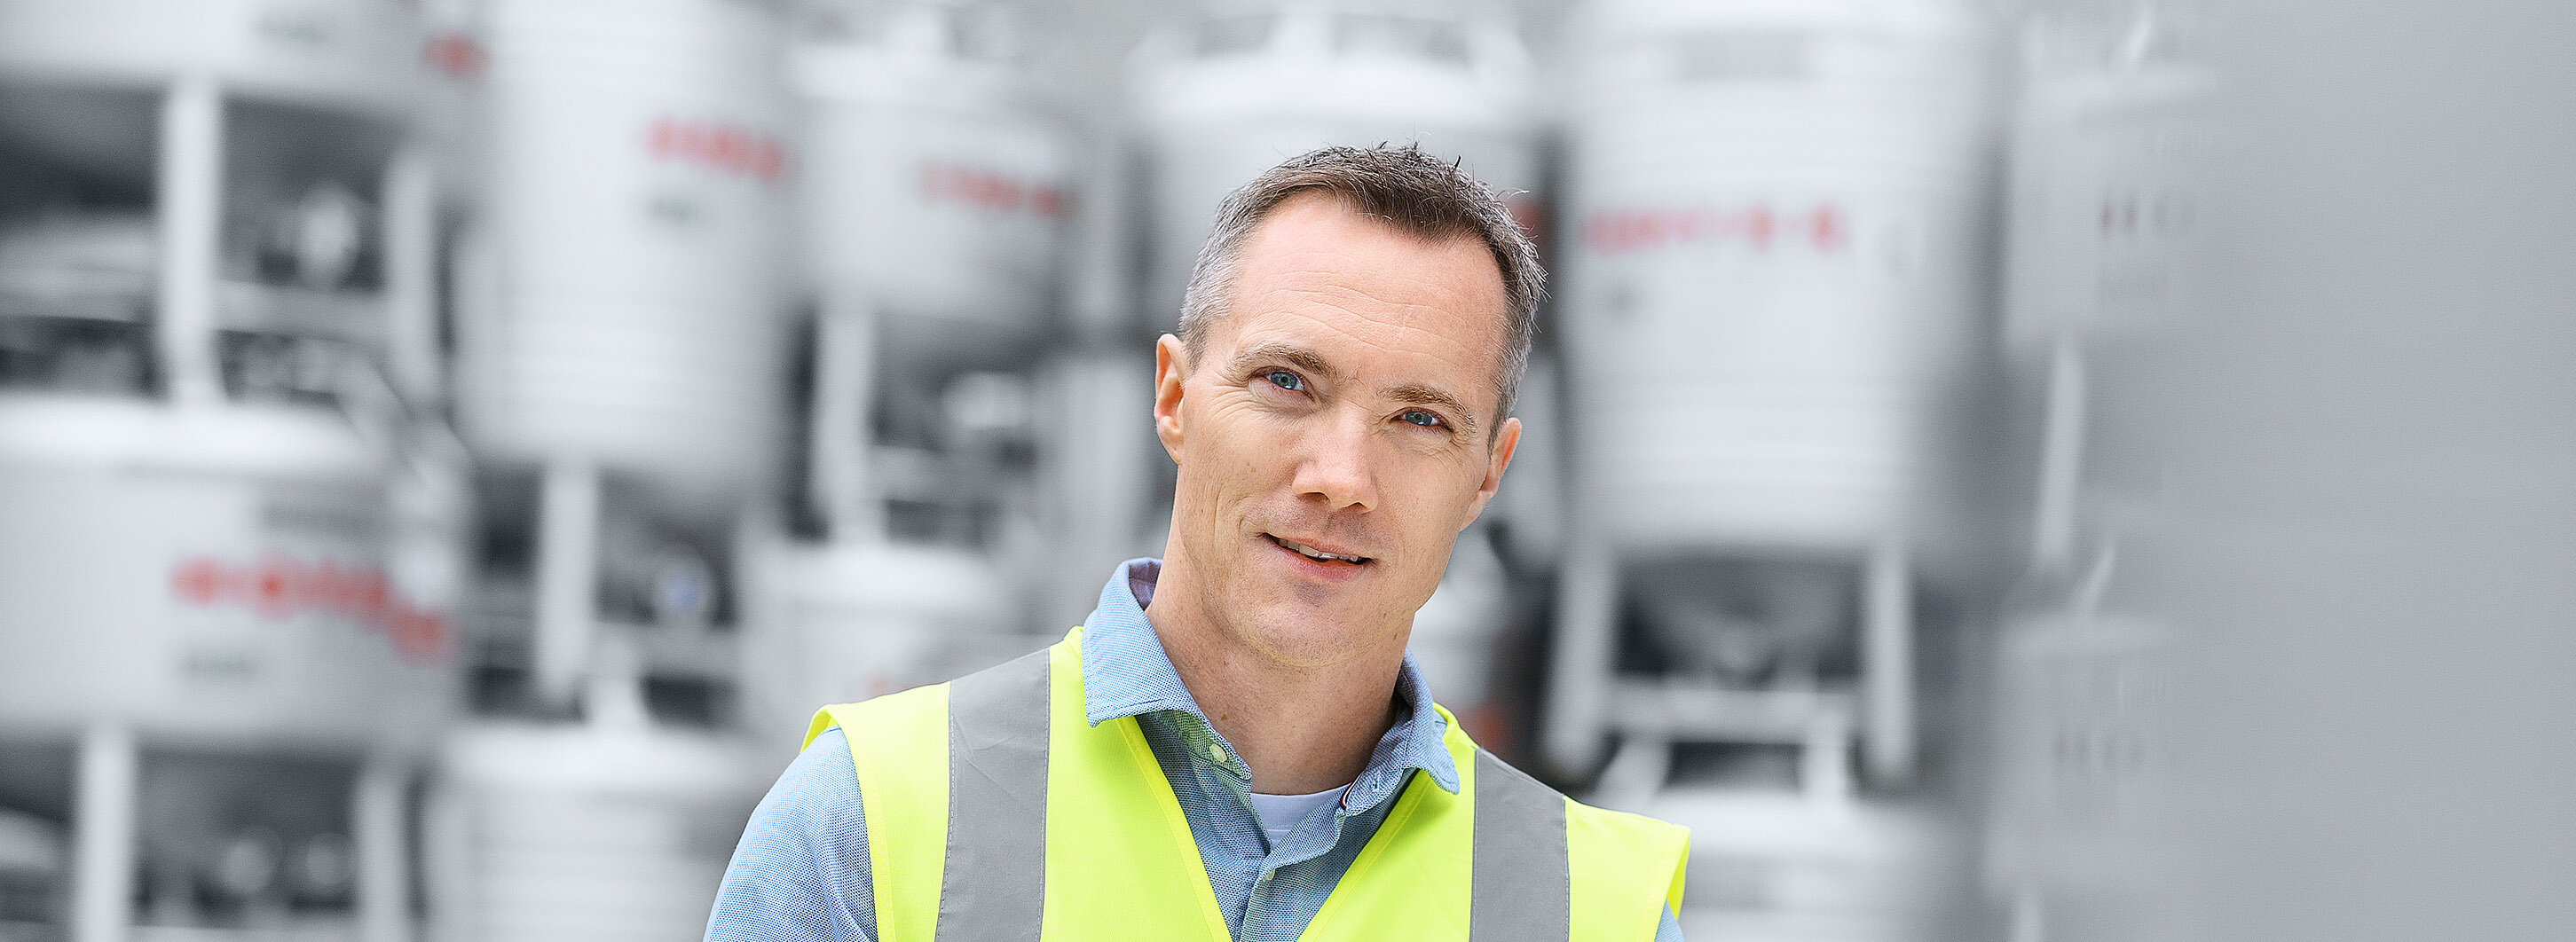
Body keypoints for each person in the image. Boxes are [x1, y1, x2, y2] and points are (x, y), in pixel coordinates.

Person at [704, 146, 1689, 942]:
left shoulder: (1602, 915)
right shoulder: (872, 821)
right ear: (1173, 398)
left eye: (1420, 419)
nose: (1338, 478)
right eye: (1286, 383)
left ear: (1487, 473)